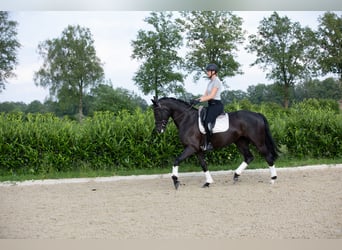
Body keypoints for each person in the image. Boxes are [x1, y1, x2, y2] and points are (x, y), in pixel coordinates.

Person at [191, 63, 224, 151]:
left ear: (213, 72)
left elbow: (211, 96)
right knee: (201, 119)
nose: (207, 73)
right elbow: (205, 95)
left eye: (208, 71)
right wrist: (196, 100)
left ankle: (210, 144)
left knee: (207, 122)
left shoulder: (217, 81)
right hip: (210, 105)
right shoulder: (210, 82)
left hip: (217, 105)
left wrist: (199, 101)